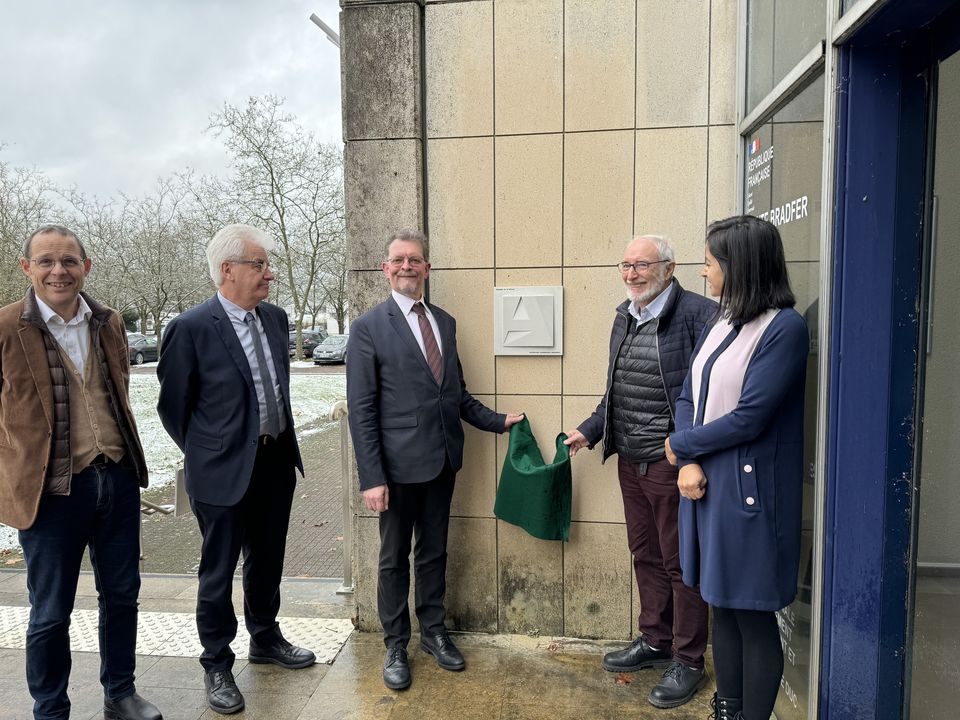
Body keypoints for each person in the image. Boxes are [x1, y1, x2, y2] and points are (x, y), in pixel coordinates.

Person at [347, 229, 523, 691]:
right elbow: (362, 409)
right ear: (385, 268)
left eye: (416, 260)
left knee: (433, 552)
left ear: (428, 268)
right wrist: (371, 478)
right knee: (392, 560)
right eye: (399, 260)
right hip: (395, 468)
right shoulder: (369, 327)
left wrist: (499, 421)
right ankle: (394, 644)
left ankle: (434, 632)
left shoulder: (444, 322)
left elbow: (456, 394)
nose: (408, 266)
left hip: (443, 460)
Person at [0, 225, 161, 720]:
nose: (58, 271)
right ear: (26, 268)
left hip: (114, 478)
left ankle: (121, 692)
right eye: (46, 261)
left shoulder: (107, 322)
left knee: (123, 595)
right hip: (49, 492)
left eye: (69, 261)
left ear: (85, 267)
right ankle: (50, 708)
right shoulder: (7, 327)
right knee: (50, 612)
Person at [157, 224, 314, 716]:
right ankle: (216, 662)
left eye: (267, 265)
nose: (269, 273)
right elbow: (172, 407)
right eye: (260, 264)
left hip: (275, 462)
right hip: (221, 470)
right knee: (218, 570)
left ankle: (265, 638)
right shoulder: (191, 327)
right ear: (227, 270)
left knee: (267, 560)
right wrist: (209, 451)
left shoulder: (275, 318)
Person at [564, 234, 716, 709]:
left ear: (669, 269)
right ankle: (656, 640)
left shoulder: (697, 315)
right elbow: (616, 387)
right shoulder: (624, 315)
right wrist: (591, 429)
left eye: (642, 265)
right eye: (625, 265)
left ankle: (689, 660)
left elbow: (703, 396)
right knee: (645, 555)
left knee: (680, 563)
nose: (631, 274)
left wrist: (688, 453)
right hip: (630, 460)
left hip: (672, 464)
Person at [665, 216, 808, 720]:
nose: (704, 273)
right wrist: (690, 457)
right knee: (720, 602)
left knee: (751, 613)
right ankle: (727, 709)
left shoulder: (783, 328)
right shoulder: (722, 318)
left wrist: (682, 446)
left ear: (739, 265)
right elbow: (689, 394)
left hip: (748, 496)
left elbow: (750, 417)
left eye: (709, 262)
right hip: (705, 485)